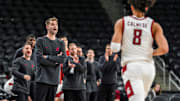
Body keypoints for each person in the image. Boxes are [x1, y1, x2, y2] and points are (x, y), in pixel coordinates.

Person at [110, 0, 169, 101]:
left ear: (132, 7)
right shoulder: (154, 25)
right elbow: (164, 49)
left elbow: (115, 48)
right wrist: (150, 52)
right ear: (146, 8)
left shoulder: (122, 22)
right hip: (149, 68)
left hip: (131, 67)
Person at [35, 17, 67, 101]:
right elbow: (40, 59)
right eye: (52, 24)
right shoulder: (40, 40)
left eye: (56, 24)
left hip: (54, 80)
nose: (55, 26)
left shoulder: (61, 43)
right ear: (47, 26)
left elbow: (63, 59)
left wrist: (48, 57)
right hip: (42, 79)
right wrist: (56, 61)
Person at [55, 36, 69, 101]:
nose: (63, 42)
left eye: (65, 40)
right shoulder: (56, 53)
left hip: (68, 79)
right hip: (58, 78)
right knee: (57, 97)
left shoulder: (71, 53)